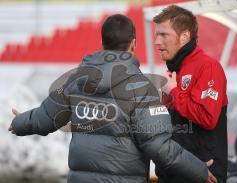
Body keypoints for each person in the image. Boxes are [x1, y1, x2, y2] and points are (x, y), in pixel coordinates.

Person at [9, 14, 216, 183]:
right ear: (133, 44)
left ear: (102, 43)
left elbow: (46, 116)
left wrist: (19, 122)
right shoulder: (143, 88)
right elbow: (159, 147)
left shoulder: (77, 79)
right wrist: (198, 170)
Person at [153, 5, 228, 183]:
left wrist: (174, 91)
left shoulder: (207, 67)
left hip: (202, 175)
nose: (156, 41)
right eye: (157, 34)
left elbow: (206, 117)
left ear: (185, 36)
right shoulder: (174, 71)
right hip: (173, 173)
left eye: (164, 34)